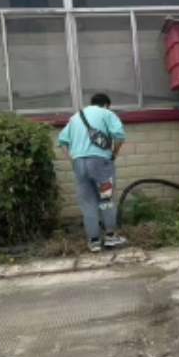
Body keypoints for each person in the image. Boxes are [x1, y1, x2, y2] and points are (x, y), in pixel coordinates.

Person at [58, 94, 127, 253]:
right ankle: (110, 237)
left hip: (79, 163)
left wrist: (73, 159)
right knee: (105, 199)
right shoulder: (107, 113)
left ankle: (94, 241)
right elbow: (119, 135)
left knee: (87, 203)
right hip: (100, 163)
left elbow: (62, 141)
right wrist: (113, 154)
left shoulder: (75, 117)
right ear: (106, 105)